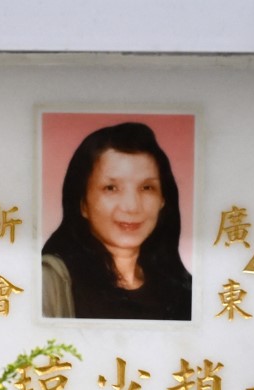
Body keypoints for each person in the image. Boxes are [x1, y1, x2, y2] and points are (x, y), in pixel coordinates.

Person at [42, 122, 192, 320]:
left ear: (163, 200)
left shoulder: (183, 290)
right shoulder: (50, 281)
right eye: (111, 188)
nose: (132, 206)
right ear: (83, 203)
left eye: (147, 188)